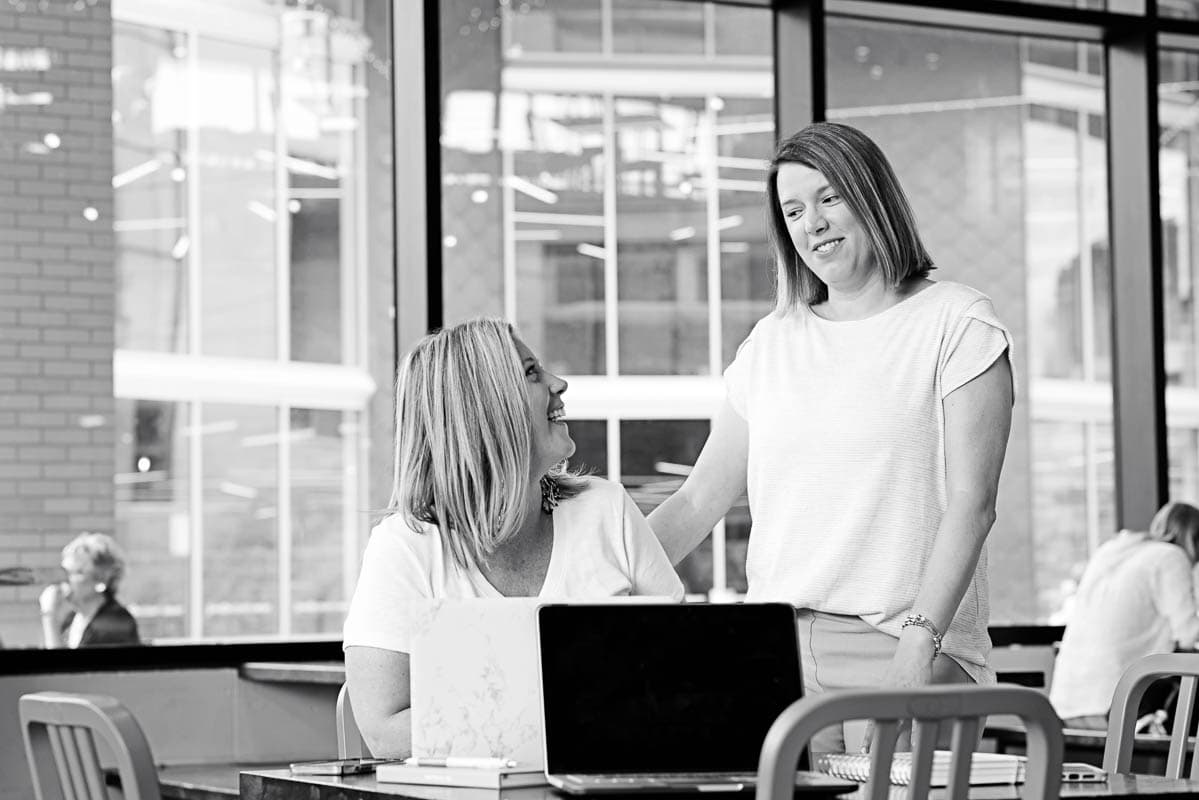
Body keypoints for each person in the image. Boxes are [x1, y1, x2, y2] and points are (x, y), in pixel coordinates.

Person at [647, 122, 1014, 753]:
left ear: (872, 196)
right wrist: (594, 582)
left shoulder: (956, 322)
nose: (811, 222)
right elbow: (697, 501)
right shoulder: (773, 342)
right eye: (792, 210)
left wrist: (916, 649)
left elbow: (972, 507)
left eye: (828, 198)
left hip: (908, 643)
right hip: (777, 653)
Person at [343, 318, 684, 757]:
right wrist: (577, 711)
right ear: (483, 409)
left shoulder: (608, 509)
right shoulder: (404, 546)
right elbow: (384, 731)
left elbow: (681, 673)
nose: (558, 384)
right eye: (530, 373)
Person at [1050, 501, 1199, 730]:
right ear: (1193, 540)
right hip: (1118, 703)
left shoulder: (1111, 551)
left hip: (1067, 702)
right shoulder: (1171, 557)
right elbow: (1189, 634)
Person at [40, 532, 140, 648]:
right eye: (65, 571)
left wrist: (49, 617)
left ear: (101, 579)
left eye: (77, 572)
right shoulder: (72, 619)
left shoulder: (116, 623)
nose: (65, 579)